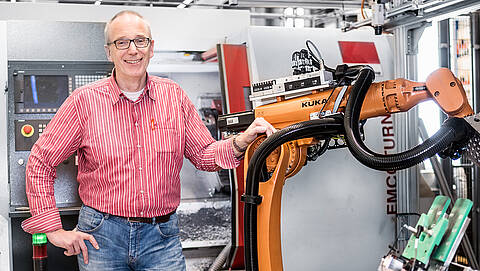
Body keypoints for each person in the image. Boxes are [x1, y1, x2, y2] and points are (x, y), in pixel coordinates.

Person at [21, 10, 276, 271]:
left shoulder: (173, 97)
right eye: (122, 42)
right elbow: (40, 162)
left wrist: (242, 141)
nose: (133, 50)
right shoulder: (84, 102)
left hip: (161, 238)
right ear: (109, 52)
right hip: (101, 237)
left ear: (151, 48)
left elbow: (203, 154)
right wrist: (51, 229)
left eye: (140, 41)